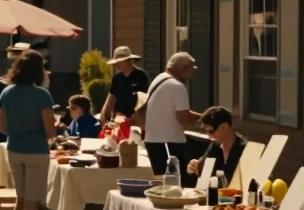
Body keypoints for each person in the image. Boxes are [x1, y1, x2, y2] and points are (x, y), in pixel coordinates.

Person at [0, 51, 56, 210]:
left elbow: (3, 128)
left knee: (20, 200)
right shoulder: (42, 95)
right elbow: (50, 131)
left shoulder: (6, 93)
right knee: (31, 203)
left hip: (14, 148)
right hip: (36, 150)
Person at [142, 52, 198, 184]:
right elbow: (183, 117)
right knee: (176, 183)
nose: (192, 74)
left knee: (162, 182)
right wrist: (204, 118)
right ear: (183, 68)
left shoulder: (159, 79)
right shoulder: (177, 86)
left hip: (153, 141)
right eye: (191, 70)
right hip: (168, 143)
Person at [187, 106, 247, 180]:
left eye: (210, 131)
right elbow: (202, 169)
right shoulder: (215, 145)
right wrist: (193, 167)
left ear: (225, 127)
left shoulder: (245, 149)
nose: (208, 135)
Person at [100, 46, 149, 123]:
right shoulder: (117, 77)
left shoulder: (141, 76)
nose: (116, 65)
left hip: (136, 122)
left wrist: (129, 120)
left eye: (118, 62)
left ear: (127, 61)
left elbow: (143, 103)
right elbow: (110, 101)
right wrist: (104, 118)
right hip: (118, 121)